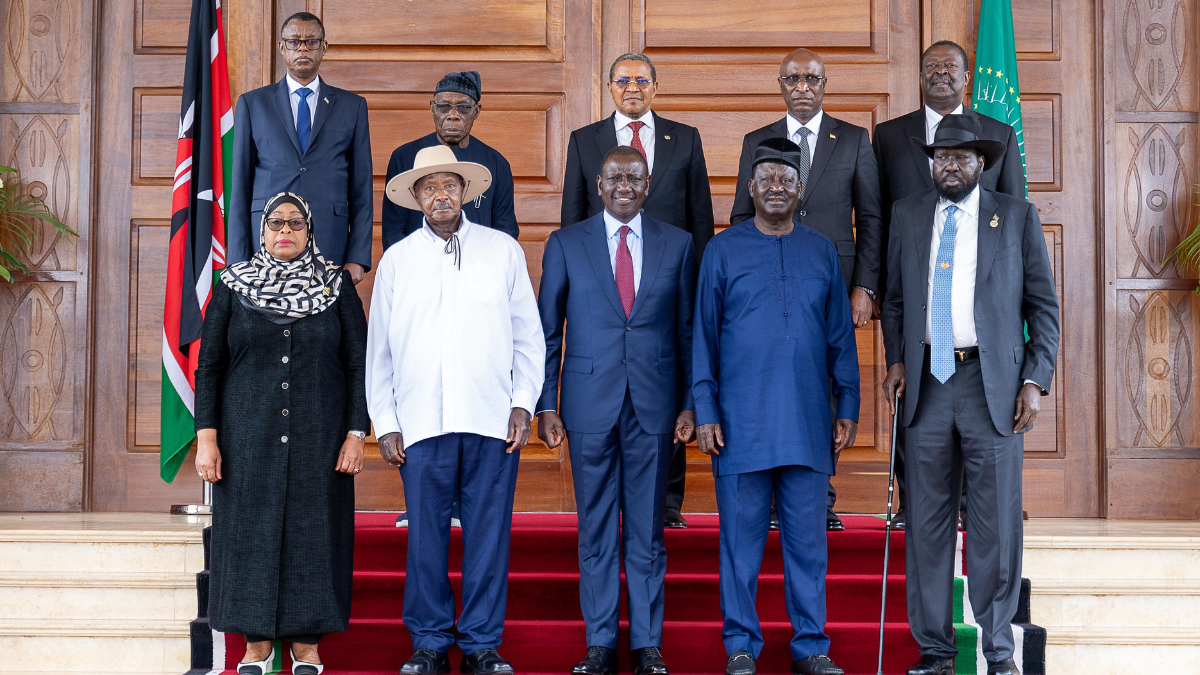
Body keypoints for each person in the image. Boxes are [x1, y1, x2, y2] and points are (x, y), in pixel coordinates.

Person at [880, 114, 1059, 675]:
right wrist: (897, 360)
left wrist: (1035, 380)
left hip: (993, 389)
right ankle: (934, 650)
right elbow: (893, 301)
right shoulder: (907, 214)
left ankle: (998, 649)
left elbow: (1043, 308)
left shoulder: (1016, 217)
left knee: (995, 525)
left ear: (981, 164)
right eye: (940, 157)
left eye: (960, 157)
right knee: (925, 522)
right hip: (928, 388)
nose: (949, 165)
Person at [366, 144, 545, 675]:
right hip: (421, 423)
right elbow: (381, 349)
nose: (439, 195)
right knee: (425, 538)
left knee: (489, 537)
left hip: (491, 418)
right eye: (428, 187)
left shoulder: (501, 250)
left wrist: (523, 403)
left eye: (448, 185)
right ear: (416, 198)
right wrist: (386, 421)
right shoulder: (397, 260)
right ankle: (428, 642)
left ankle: (482, 643)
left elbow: (528, 339)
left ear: (464, 192)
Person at [693, 139, 859, 675]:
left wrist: (848, 402)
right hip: (740, 424)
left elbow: (840, 337)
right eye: (766, 178)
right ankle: (740, 644)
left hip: (808, 421)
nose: (776, 187)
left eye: (786, 179)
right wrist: (705, 407)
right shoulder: (722, 251)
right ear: (750, 187)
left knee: (807, 547)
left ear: (800, 188)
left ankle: (811, 646)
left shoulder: (821, 251)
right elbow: (703, 337)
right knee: (740, 549)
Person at [537, 146, 698, 675]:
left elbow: (688, 332)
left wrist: (691, 404)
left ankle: (646, 644)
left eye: (634, 177)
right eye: (614, 178)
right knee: (596, 528)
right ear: (599, 184)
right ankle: (601, 642)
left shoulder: (678, 244)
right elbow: (548, 332)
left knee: (649, 530)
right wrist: (545, 404)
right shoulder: (565, 243)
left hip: (654, 407)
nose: (624, 185)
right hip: (586, 406)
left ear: (647, 185)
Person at [194, 192, 368, 675]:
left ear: (309, 231)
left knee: (316, 531)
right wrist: (206, 437)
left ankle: (307, 643)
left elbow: (358, 363)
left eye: (295, 223)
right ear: (263, 231)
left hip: (322, 435)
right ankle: (257, 643)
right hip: (247, 435)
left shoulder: (336, 285)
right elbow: (209, 365)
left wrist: (357, 432)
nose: (285, 231)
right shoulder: (232, 285)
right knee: (249, 533)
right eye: (276, 223)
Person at [871, 39, 1027, 529]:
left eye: (950, 67)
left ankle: (973, 506)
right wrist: (876, 288)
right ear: (920, 76)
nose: (940, 73)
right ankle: (910, 502)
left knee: (976, 414)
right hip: (914, 290)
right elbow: (877, 214)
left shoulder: (998, 134)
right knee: (914, 400)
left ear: (966, 78)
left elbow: (1017, 217)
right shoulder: (891, 135)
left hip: (976, 301)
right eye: (931, 66)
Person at [729, 47, 883, 532]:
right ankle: (772, 500)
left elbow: (872, 217)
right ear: (780, 85)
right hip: (768, 289)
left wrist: (865, 286)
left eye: (812, 79)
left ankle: (822, 497)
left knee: (823, 386)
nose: (802, 87)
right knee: (773, 384)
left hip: (829, 284)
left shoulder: (855, 139)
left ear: (824, 85)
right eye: (793, 79)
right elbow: (739, 215)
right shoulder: (758, 140)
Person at [561, 52, 715, 529]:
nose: (632, 87)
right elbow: (574, 216)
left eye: (641, 80)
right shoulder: (584, 140)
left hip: (670, 280)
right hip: (607, 282)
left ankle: (667, 500)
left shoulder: (684, 139)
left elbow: (700, 217)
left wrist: (703, 284)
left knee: (667, 380)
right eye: (623, 80)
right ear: (609, 87)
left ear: (655, 86)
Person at [228, 12, 373, 284]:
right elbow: (240, 186)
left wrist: (358, 257)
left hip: (330, 241)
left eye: (311, 42)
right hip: (267, 241)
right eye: (294, 42)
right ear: (282, 48)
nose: (303, 48)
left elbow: (362, 188)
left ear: (324, 47)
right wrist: (238, 257)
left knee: (323, 326)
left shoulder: (352, 106)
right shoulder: (253, 104)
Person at [381, 70, 519, 250]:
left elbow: (505, 231)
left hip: (477, 269)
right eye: (444, 106)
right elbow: (393, 231)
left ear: (476, 111)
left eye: (463, 107)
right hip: (420, 268)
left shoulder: (495, 163)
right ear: (432, 109)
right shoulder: (405, 157)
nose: (453, 114)